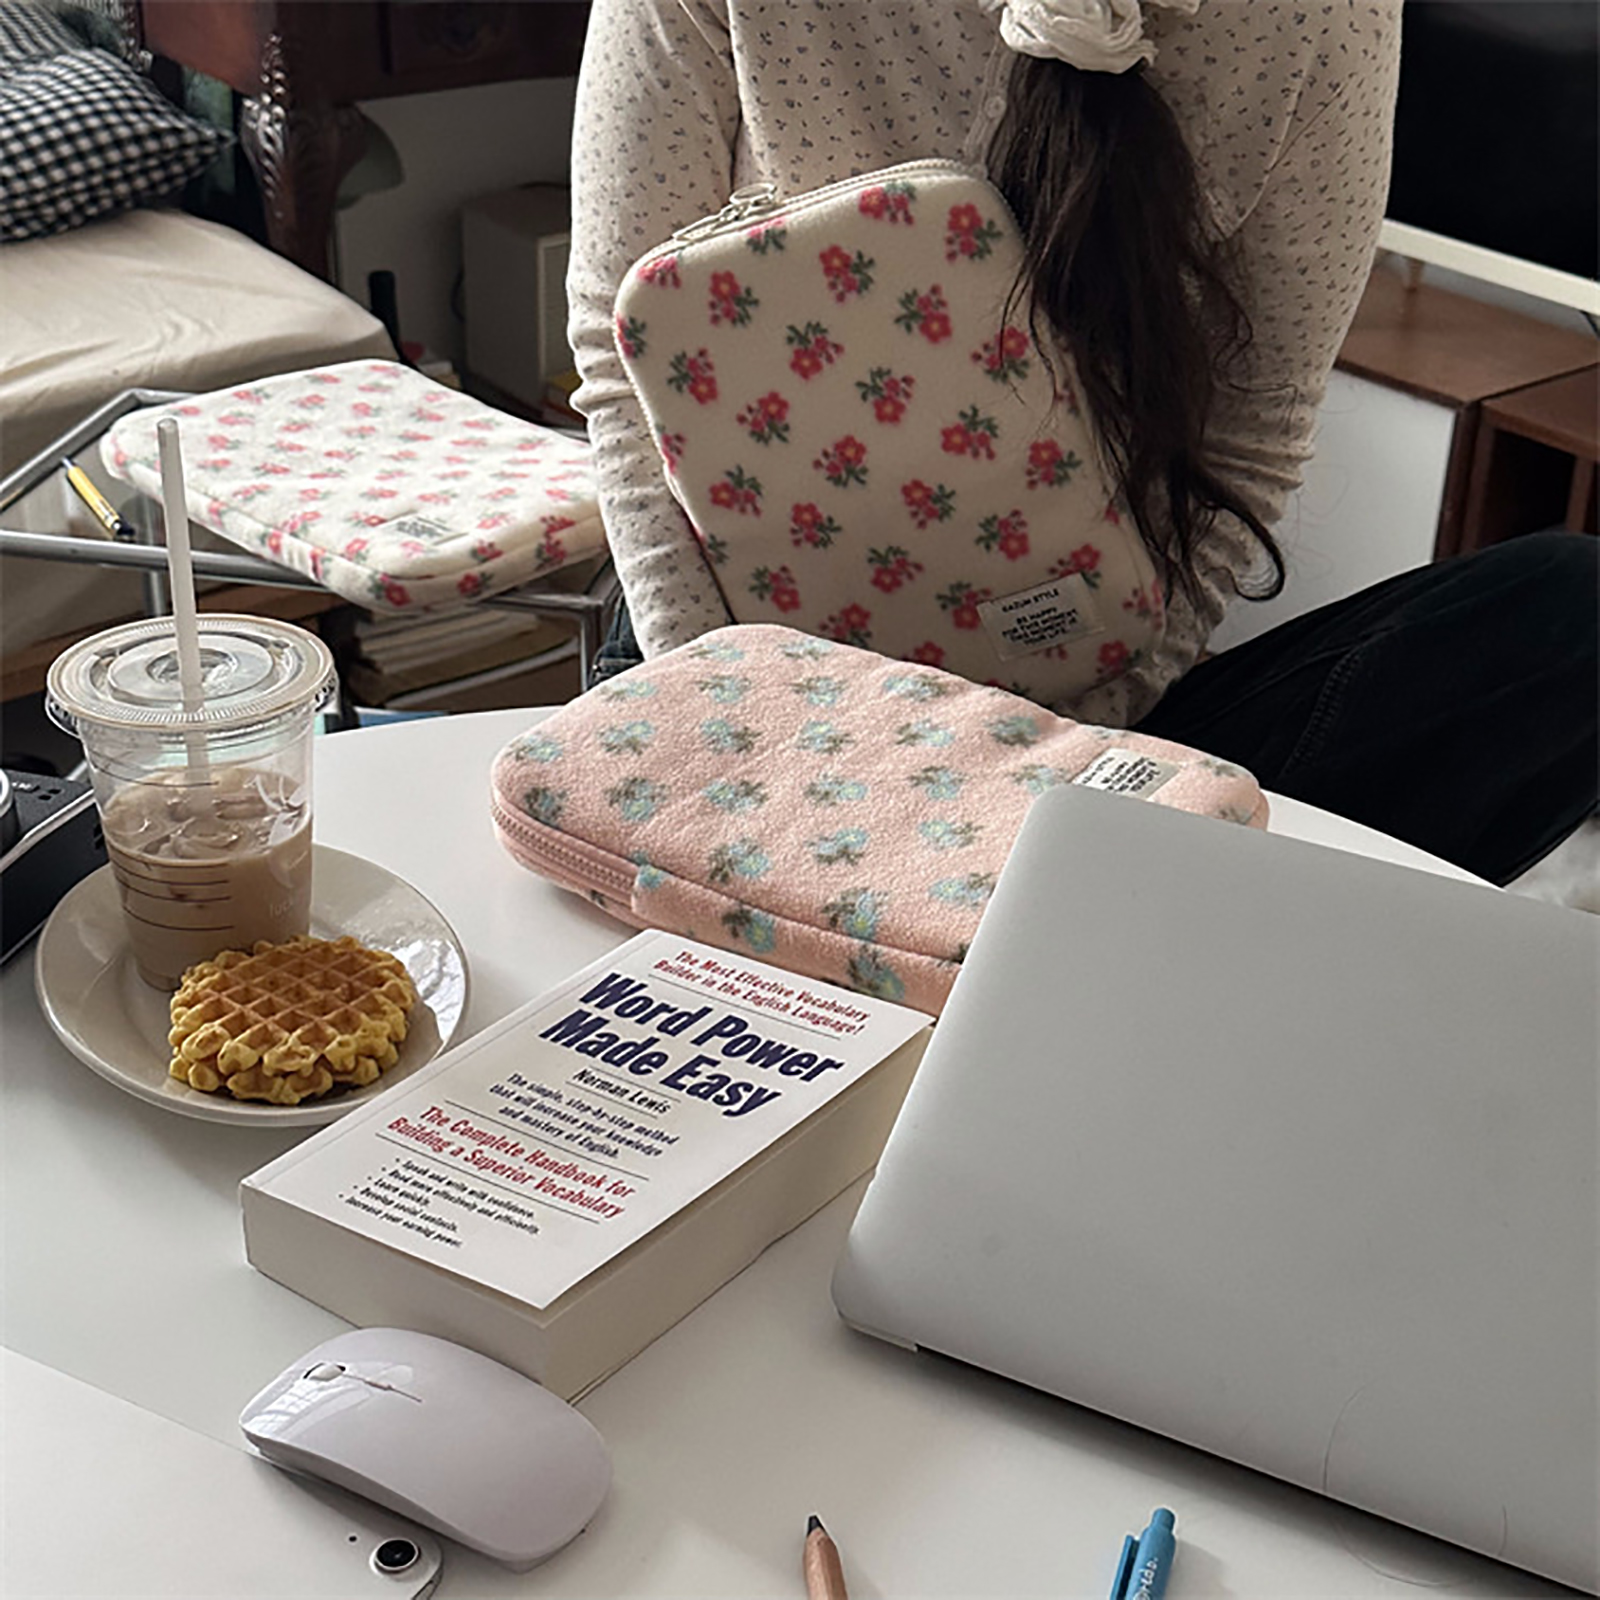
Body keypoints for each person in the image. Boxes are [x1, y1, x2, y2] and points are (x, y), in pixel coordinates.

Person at [566, 0, 1597, 887]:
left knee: (1574, 609)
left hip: (1077, 678)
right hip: (731, 650)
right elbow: (618, 360)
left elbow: (1256, 424)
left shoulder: (1323, 16)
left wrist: (1082, 735)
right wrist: (746, 722)